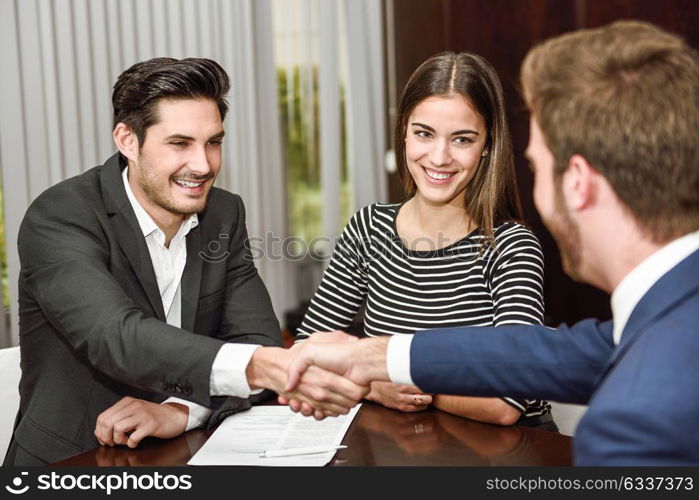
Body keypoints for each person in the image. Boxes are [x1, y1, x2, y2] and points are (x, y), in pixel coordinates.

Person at [286, 20, 699, 465]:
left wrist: (381, 374)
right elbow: (560, 353)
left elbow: (516, 392)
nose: (440, 155)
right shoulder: (657, 319)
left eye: (536, 166)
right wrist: (378, 365)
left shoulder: (633, 425)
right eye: (424, 133)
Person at [6, 57, 364, 466]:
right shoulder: (61, 215)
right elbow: (114, 335)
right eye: (180, 144)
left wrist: (182, 410)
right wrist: (266, 366)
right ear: (127, 141)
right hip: (74, 460)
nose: (203, 165)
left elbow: (256, 339)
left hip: (183, 451)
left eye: (213, 142)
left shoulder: (224, 214)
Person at [294, 52, 553, 428]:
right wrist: (373, 388)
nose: (439, 157)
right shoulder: (368, 228)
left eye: (462, 139)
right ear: (403, 130)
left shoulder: (512, 246)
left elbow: (506, 402)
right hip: (408, 449)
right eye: (424, 133)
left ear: (487, 145)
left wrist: (403, 378)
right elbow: (307, 351)